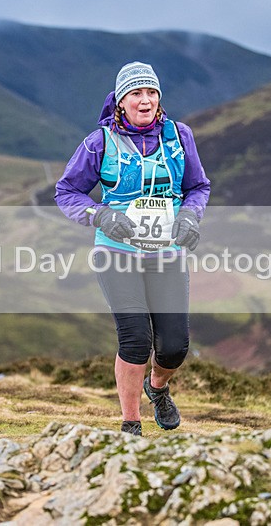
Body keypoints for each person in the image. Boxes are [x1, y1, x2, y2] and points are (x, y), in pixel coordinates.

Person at [55, 61, 210, 437]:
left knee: (174, 347)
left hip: (167, 252)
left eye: (151, 93)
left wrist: (189, 218)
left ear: (159, 99)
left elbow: (198, 187)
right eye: (136, 94)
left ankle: (157, 388)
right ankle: (131, 424)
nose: (145, 101)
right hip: (116, 253)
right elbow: (66, 192)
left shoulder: (179, 136)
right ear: (120, 101)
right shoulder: (99, 143)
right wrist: (100, 215)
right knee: (136, 339)